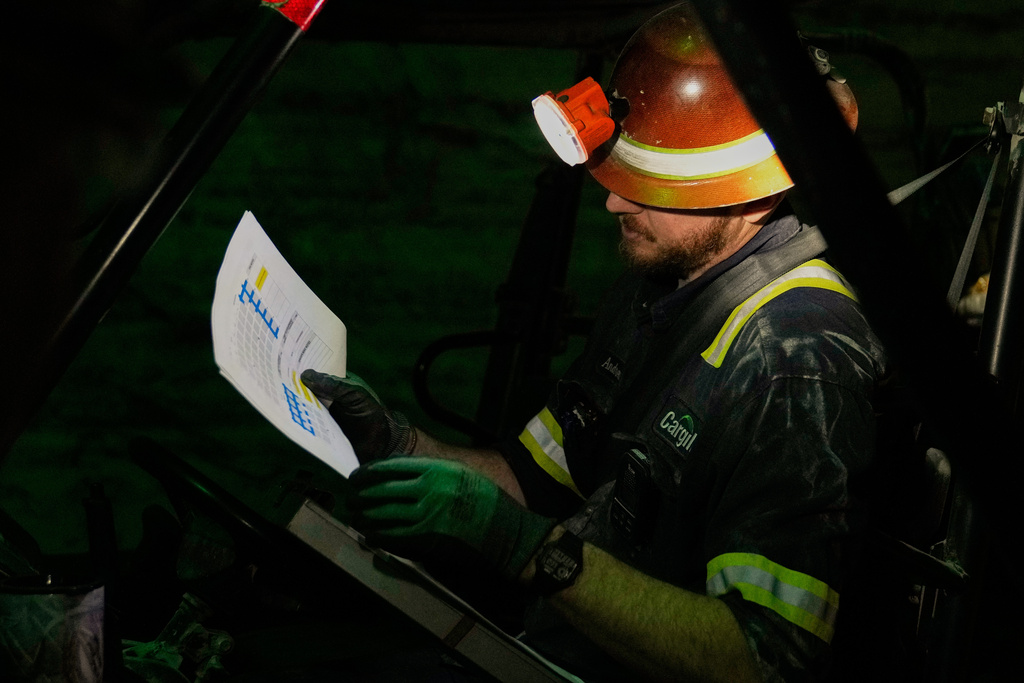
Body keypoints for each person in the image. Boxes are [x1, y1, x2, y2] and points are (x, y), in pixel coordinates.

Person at [302, 4, 890, 681]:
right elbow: (533, 480)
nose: (614, 204)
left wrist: (528, 550)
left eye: (654, 185)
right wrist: (401, 446)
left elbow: (762, 657)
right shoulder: (660, 288)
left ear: (751, 194)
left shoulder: (794, 354)